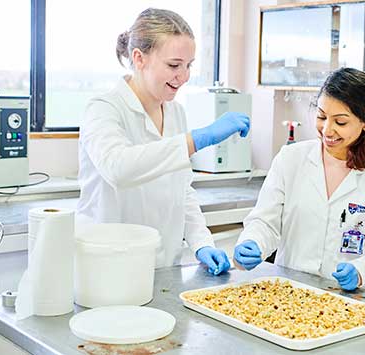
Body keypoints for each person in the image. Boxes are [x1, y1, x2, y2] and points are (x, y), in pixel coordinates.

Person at [77, 8, 250, 275]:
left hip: (164, 266)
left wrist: (201, 243)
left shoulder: (175, 112)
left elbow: (182, 191)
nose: (184, 76)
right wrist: (196, 139)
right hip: (108, 267)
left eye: (189, 65)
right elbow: (118, 169)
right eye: (174, 65)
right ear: (139, 58)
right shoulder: (104, 108)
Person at [233, 68, 365, 291]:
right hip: (289, 294)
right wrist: (252, 242)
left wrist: (361, 272)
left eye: (341, 122)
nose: (327, 130)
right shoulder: (291, 159)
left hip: (351, 302)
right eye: (321, 117)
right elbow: (265, 221)